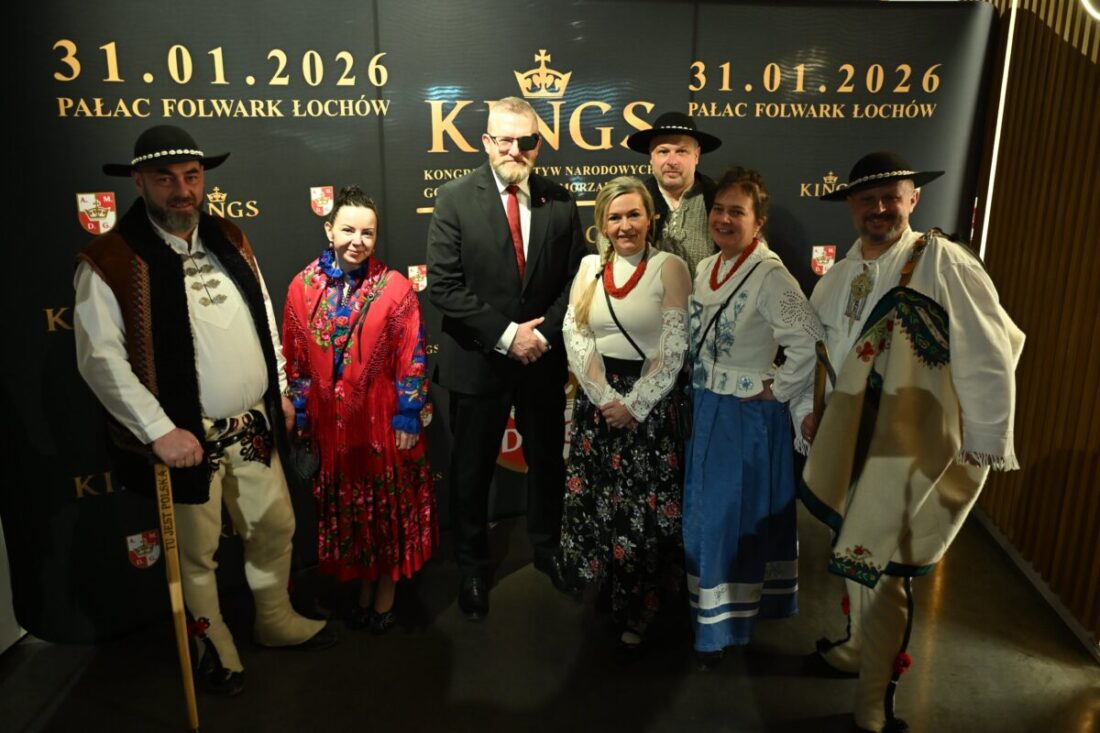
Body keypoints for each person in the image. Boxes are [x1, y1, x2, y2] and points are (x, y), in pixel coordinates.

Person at [73, 125, 335, 698]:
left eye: (191, 177)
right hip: (187, 440)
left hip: (254, 425)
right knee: (196, 553)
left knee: (275, 526)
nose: (181, 190)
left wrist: (281, 388)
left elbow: (263, 316)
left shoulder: (228, 237)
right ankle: (211, 644)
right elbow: (100, 361)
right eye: (165, 178)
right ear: (139, 182)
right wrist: (159, 431)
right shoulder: (111, 260)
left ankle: (275, 619)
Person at [797, 152, 1025, 733]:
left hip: (908, 447)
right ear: (850, 205)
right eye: (866, 199)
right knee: (853, 551)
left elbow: (989, 351)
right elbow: (817, 356)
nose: (878, 208)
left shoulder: (943, 261)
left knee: (884, 568)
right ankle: (856, 648)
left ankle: (874, 702)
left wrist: (984, 439)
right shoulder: (837, 277)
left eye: (890, 197)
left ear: (913, 199)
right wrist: (810, 413)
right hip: (849, 439)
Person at [426, 96, 586, 620]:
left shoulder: (561, 201)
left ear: (539, 144)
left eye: (527, 140)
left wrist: (540, 336)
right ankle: (472, 567)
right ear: (486, 142)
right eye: (505, 139)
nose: (516, 150)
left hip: (542, 360)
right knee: (471, 473)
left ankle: (548, 548)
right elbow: (443, 286)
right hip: (479, 361)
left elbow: (574, 281)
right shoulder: (453, 199)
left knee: (547, 464)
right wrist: (507, 335)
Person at [682, 167, 823, 669]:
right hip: (708, 406)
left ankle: (725, 629)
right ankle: (711, 617)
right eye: (718, 210)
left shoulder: (771, 276)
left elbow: (808, 341)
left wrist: (776, 389)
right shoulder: (708, 266)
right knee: (706, 516)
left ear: (758, 221)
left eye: (736, 212)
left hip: (744, 417)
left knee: (729, 519)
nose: (723, 219)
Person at [282, 185, 437, 634]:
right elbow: (295, 357)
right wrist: (301, 411)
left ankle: (385, 591)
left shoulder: (396, 288)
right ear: (329, 229)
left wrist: (409, 412)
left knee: (387, 509)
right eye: (348, 230)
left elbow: (412, 355)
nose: (358, 240)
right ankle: (364, 586)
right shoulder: (302, 287)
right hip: (332, 429)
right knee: (354, 511)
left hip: (383, 422)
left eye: (368, 233)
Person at [560, 176, 691, 655]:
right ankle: (612, 590)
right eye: (614, 217)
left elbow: (674, 348)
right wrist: (602, 398)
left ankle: (644, 605)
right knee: (604, 503)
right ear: (601, 223)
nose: (625, 225)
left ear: (650, 218)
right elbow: (576, 335)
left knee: (643, 511)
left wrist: (635, 404)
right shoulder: (589, 267)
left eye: (634, 214)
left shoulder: (670, 267)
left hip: (649, 407)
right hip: (601, 407)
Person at [622, 111, 722, 274]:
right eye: (663, 151)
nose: (672, 161)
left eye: (681, 151)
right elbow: (609, 254)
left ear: (696, 156)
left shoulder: (718, 201)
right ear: (651, 157)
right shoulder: (630, 201)